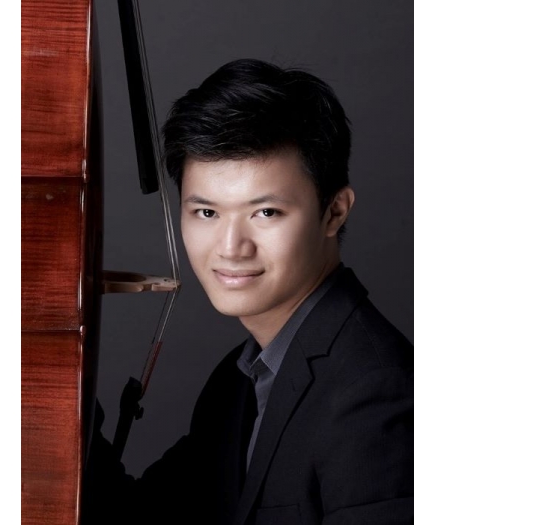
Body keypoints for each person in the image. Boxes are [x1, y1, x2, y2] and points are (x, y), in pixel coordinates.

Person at [83, 58, 413, 525]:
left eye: (266, 213)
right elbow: (134, 519)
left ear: (334, 211)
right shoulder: (238, 380)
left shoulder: (376, 393)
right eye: (207, 213)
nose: (231, 247)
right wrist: (51, 373)